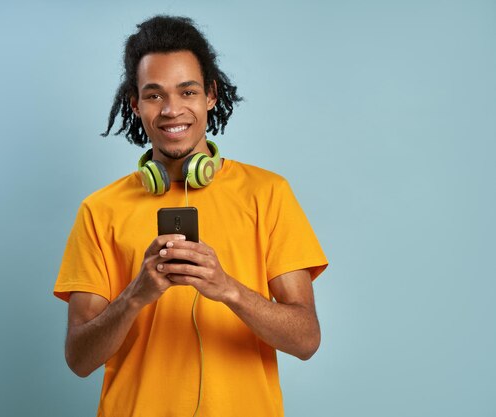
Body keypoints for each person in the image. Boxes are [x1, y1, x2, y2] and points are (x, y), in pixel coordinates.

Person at [54, 15, 328, 417]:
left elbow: (306, 340)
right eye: (154, 95)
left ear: (210, 96)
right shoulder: (99, 209)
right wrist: (136, 296)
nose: (172, 110)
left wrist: (228, 289)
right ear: (135, 103)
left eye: (187, 91)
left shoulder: (268, 194)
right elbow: (79, 359)